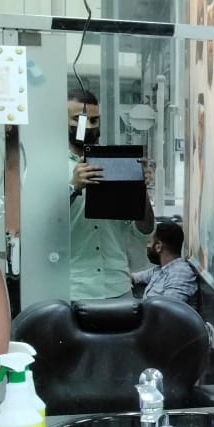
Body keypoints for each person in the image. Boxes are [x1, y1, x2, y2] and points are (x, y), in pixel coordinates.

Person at [67, 89, 154, 300]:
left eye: (94, 120)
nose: (88, 127)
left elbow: (144, 231)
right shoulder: (47, 166)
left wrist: (140, 188)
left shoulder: (115, 164)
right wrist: (73, 187)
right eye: (79, 120)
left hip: (118, 287)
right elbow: (43, 229)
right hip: (73, 289)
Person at [133, 221, 199, 307]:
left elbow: (168, 309)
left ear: (158, 246)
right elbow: (134, 277)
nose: (148, 247)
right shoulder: (159, 269)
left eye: (150, 242)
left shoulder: (179, 273)